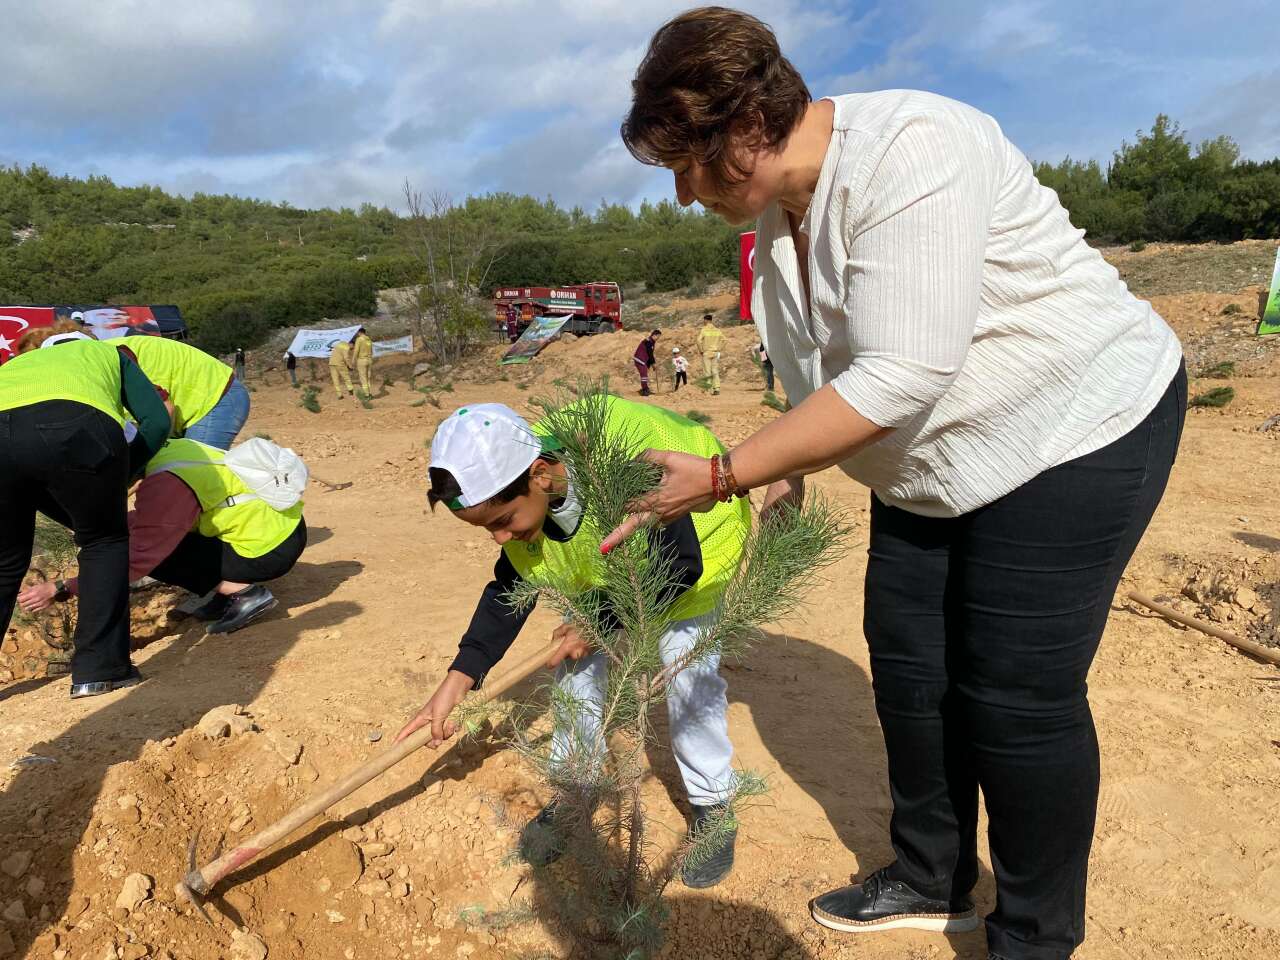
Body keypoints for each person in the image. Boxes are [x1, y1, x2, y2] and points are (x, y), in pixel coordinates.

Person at [615, 9, 1185, 959]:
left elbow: (901, 372)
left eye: (686, 165)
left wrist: (724, 472)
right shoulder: (771, 217)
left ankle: (1036, 938)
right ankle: (932, 875)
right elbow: (818, 361)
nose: (679, 194)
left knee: (1013, 693)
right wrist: (780, 472)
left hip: (1072, 425)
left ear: (749, 127)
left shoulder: (913, 149)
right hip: (933, 461)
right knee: (913, 666)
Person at [395, 399, 752, 889]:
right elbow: (510, 584)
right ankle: (575, 793)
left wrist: (599, 620)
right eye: (486, 529)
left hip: (697, 538)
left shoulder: (627, 464)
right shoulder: (518, 476)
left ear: (540, 474)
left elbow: (679, 565)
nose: (500, 537)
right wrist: (461, 675)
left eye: (503, 520)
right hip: (606, 555)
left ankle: (713, 808)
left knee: (686, 674)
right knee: (572, 666)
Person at [0, 333, 171, 698]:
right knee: (103, 541)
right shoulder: (107, 353)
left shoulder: (16, 364)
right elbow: (156, 422)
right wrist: (120, 475)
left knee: (4, 561)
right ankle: (100, 670)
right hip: (72, 429)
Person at [20, 436, 306, 636]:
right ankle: (227, 590)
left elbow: (138, 560)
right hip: (283, 527)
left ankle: (245, 594)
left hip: (270, 551)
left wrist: (62, 588)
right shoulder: (171, 449)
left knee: (149, 553)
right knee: (149, 536)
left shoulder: (165, 484)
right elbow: (157, 517)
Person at [116, 335, 249, 450]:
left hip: (214, 397)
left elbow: (165, 410)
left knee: (190, 471)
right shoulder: (105, 356)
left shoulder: (116, 357)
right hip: (194, 402)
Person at [697, 314, 724, 395]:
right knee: (715, 371)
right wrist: (719, 349)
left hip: (706, 353)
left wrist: (701, 350)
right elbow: (725, 340)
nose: (703, 322)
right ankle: (717, 388)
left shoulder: (704, 330)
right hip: (715, 352)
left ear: (706, 320)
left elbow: (698, 340)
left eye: (704, 320)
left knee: (707, 371)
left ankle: (708, 389)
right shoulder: (717, 330)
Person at [633, 328, 660, 396]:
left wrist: (650, 364)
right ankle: (644, 390)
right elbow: (650, 353)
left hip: (643, 360)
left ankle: (645, 388)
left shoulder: (651, 342)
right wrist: (653, 364)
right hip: (640, 359)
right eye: (658, 336)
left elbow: (649, 354)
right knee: (644, 375)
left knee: (645, 374)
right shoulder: (648, 341)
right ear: (654, 335)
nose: (658, 338)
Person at [329, 333, 355, 399]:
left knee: (335, 380)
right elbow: (346, 357)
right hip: (340, 363)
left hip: (331, 363)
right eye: (353, 347)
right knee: (346, 377)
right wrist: (350, 366)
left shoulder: (339, 344)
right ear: (351, 344)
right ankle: (351, 391)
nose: (352, 348)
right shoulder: (346, 347)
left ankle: (339, 395)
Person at [353, 327, 374, 395]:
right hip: (369, 360)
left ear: (360, 332)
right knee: (368, 377)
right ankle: (369, 392)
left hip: (362, 360)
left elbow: (356, 351)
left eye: (358, 333)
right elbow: (371, 350)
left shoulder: (359, 339)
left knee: (363, 378)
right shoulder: (369, 340)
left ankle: (367, 394)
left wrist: (353, 360)